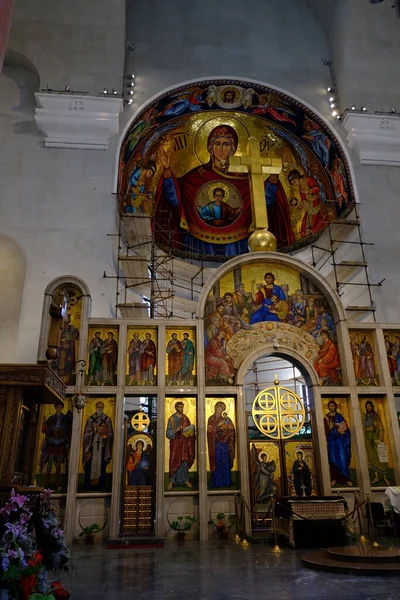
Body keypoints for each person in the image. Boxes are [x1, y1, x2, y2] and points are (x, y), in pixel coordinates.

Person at [155, 124, 294, 257]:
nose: (221, 149)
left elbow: (263, 204)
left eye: (226, 144)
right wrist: (167, 169)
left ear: (232, 149)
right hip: (199, 242)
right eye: (217, 144)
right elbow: (174, 200)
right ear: (210, 148)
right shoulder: (195, 176)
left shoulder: (245, 178)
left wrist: (274, 177)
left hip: (238, 242)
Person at [40, 401, 72, 489]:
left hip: (61, 443)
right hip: (52, 443)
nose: (59, 409)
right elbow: (44, 429)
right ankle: (47, 483)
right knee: (50, 463)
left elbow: (67, 430)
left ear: (62, 408)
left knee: (58, 464)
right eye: (57, 407)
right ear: (55, 408)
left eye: (60, 407)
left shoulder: (64, 418)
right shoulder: (51, 418)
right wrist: (44, 423)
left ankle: (57, 483)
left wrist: (66, 441)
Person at [82, 401, 113, 490]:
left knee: (102, 465)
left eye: (101, 408)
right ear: (96, 408)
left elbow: (111, 434)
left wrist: (106, 436)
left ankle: (101, 486)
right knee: (89, 464)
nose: (100, 409)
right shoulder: (90, 419)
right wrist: (93, 433)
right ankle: (88, 486)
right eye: (98, 408)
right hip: (92, 446)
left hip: (103, 447)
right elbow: (85, 435)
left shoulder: (107, 419)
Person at [288, 169, 327, 237]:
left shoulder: (308, 180)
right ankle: (291, 223)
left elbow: (317, 189)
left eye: (294, 181)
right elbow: (303, 199)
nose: (295, 184)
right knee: (304, 231)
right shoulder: (300, 188)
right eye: (293, 183)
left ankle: (322, 220)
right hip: (309, 207)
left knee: (312, 228)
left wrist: (309, 191)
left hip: (316, 204)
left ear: (298, 177)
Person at [166, 401, 195, 489]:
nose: (181, 409)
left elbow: (190, 432)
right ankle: (172, 480)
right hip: (175, 444)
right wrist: (176, 430)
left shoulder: (186, 418)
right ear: (176, 408)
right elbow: (168, 433)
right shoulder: (171, 419)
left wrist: (191, 431)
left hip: (185, 444)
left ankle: (185, 479)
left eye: (182, 407)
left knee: (184, 461)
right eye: (179, 407)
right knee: (174, 460)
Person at [324, 400, 353, 487]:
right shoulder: (326, 417)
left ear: (335, 407)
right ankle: (334, 478)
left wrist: (341, 429)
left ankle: (345, 478)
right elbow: (325, 430)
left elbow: (345, 429)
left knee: (342, 457)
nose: (331, 407)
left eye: (333, 405)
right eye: (330, 406)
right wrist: (331, 427)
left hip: (340, 441)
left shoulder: (339, 416)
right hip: (332, 441)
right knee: (333, 459)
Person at [207, 401, 236, 488]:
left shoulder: (226, 418)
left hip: (225, 444)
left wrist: (229, 428)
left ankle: (226, 482)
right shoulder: (211, 419)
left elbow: (231, 429)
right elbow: (209, 431)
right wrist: (218, 426)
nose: (220, 409)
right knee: (218, 462)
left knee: (225, 462)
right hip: (216, 444)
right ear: (215, 407)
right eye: (218, 407)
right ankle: (217, 483)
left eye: (222, 408)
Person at [362, 400, 390, 486]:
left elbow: (381, 428)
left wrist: (379, 439)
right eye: (367, 407)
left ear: (372, 407)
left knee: (381, 458)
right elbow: (363, 426)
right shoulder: (365, 417)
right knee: (372, 458)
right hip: (368, 440)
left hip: (376, 439)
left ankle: (385, 477)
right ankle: (376, 477)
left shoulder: (376, 417)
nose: (368, 408)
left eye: (370, 406)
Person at [58, 313, 79, 385]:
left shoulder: (71, 328)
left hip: (68, 350)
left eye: (68, 318)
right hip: (60, 349)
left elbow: (75, 337)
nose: (67, 319)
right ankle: (58, 377)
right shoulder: (59, 327)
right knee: (59, 363)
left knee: (67, 363)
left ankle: (67, 381)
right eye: (66, 317)